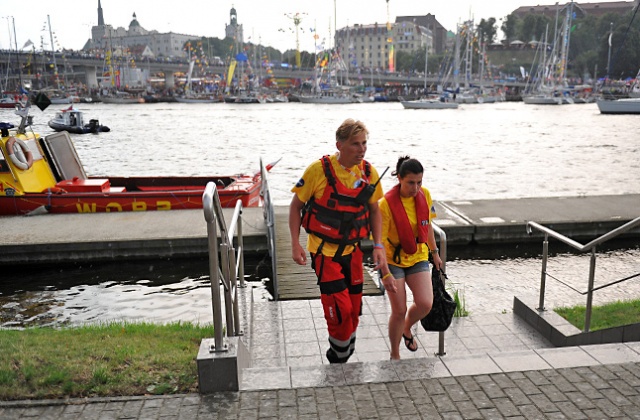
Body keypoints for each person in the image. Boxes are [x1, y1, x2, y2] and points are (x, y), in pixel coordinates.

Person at [289, 118, 386, 364]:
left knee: (354, 309)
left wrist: (378, 246)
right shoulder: (317, 171)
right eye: (355, 144)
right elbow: (296, 207)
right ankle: (338, 358)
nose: (362, 149)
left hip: (353, 252)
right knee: (340, 310)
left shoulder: (368, 172)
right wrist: (295, 243)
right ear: (339, 145)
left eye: (364, 143)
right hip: (324, 252)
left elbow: (375, 211)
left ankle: (344, 351)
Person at [378, 156, 443, 360]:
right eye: (410, 183)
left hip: (418, 256)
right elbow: (378, 242)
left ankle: (407, 328)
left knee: (425, 303)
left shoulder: (425, 195)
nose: (415, 188)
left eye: (419, 182)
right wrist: (385, 273)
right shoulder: (385, 205)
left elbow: (428, 226)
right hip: (392, 261)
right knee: (399, 309)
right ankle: (395, 354)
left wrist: (435, 253)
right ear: (399, 178)